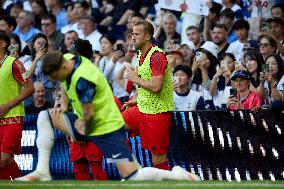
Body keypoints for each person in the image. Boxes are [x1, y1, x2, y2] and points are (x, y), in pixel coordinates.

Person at [15, 50, 200, 182]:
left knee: (134, 176)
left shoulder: (83, 80)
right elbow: (64, 81)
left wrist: (80, 127)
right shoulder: (69, 59)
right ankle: (42, 172)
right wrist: (63, 105)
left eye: (55, 76)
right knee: (45, 117)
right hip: (89, 121)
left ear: (63, 65)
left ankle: (176, 175)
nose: (55, 81)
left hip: (107, 128)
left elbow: (89, 112)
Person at [122, 20, 174, 171]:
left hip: (157, 113)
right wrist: (136, 99)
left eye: (136, 34)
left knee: (158, 159)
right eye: (132, 33)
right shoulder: (141, 54)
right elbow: (144, 82)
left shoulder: (157, 56)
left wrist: (134, 78)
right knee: (113, 126)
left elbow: (156, 86)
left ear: (147, 37)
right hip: (142, 108)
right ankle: (134, 168)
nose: (133, 37)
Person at [0, 30, 34, 179]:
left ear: (3, 43)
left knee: (3, 159)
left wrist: (8, 105)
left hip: (13, 116)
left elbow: (30, 87)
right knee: (4, 162)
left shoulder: (15, 63)